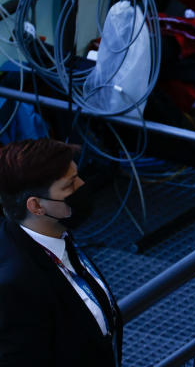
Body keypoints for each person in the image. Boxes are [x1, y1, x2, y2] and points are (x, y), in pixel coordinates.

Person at [0, 139, 122, 366]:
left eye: (78, 176)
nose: (83, 186)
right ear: (36, 206)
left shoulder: (56, 231)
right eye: (70, 185)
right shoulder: (15, 284)